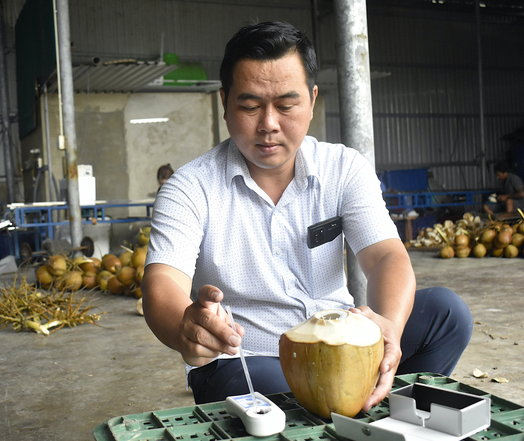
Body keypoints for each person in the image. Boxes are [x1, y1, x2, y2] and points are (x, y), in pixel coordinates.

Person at [142, 22, 473, 409]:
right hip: (247, 360)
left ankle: (385, 413)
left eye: (286, 105)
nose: (268, 124)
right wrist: (187, 326)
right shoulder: (190, 187)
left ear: (312, 101)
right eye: (249, 106)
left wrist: (390, 333)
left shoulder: (344, 168)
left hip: (338, 340)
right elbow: (161, 281)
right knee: (276, 390)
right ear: (225, 102)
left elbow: (385, 256)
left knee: (447, 314)